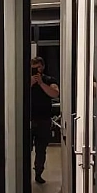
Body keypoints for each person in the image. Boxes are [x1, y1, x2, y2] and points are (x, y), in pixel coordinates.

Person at [30, 56, 59, 184]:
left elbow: (55, 93)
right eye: (33, 68)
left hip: (44, 120)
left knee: (41, 149)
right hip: (28, 120)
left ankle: (38, 173)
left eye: (38, 68)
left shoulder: (49, 80)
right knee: (24, 149)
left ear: (42, 67)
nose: (36, 70)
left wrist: (41, 83)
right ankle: (23, 175)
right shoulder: (25, 80)